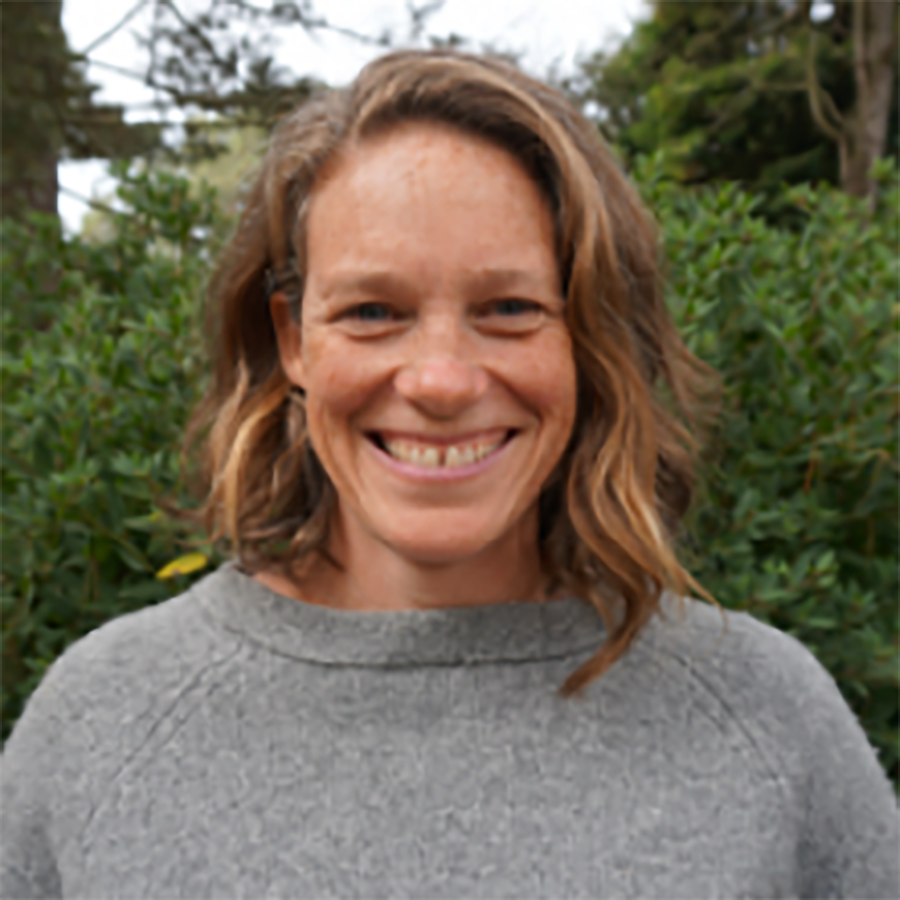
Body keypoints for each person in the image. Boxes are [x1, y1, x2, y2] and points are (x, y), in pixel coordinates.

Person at [1, 49, 898, 899]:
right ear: (291, 339)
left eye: (509, 309)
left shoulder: (767, 720)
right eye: (373, 311)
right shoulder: (102, 726)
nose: (439, 381)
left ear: (590, 337)